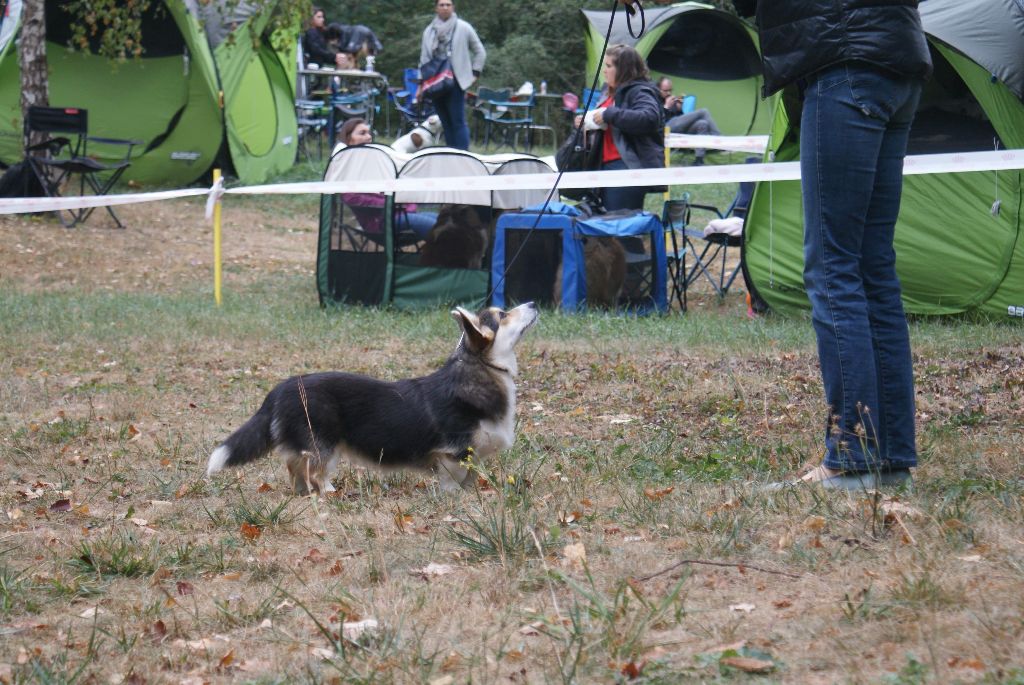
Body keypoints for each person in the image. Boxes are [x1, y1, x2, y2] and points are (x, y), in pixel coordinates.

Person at [732, 0, 932, 489]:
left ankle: (851, 456)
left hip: (844, 62)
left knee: (833, 269)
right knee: (872, 268)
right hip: (897, 56)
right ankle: (890, 459)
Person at [574, 44, 664, 212]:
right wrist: (586, 121)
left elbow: (650, 118)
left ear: (623, 69)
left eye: (609, 66)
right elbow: (607, 122)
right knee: (605, 228)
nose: (604, 71)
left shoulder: (640, 91)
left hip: (626, 168)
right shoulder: (608, 91)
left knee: (620, 230)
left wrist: (610, 114)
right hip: (604, 166)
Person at [337, 119, 437, 239]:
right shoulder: (346, 166)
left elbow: (396, 188)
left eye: (369, 133)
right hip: (379, 222)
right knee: (439, 229)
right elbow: (351, 197)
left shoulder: (372, 162)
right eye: (362, 133)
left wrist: (403, 204)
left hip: (401, 214)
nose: (369, 137)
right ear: (348, 139)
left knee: (445, 221)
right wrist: (392, 203)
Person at [419, 0, 485, 151]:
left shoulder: (463, 27)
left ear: (453, 7)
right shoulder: (429, 31)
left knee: (457, 121)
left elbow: (480, 51)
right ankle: (452, 155)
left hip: (456, 81)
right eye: (441, 5)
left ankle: (463, 155)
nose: (445, 7)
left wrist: (474, 73)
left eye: (448, 4)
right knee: (445, 121)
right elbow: (423, 59)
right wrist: (421, 85)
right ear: (436, 8)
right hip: (435, 81)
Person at [657, 76, 721, 165]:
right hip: (664, 130)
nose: (669, 93)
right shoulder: (654, 100)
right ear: (658, 89)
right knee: (703, 111)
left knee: (702, 124)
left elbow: (680, 120)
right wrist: (666, 107)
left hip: (677, 130)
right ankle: (718, 140)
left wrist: (679, 109)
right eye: (666, 91)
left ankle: (699, 160)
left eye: (670, 90)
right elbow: (656, 121)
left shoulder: (672, 100)